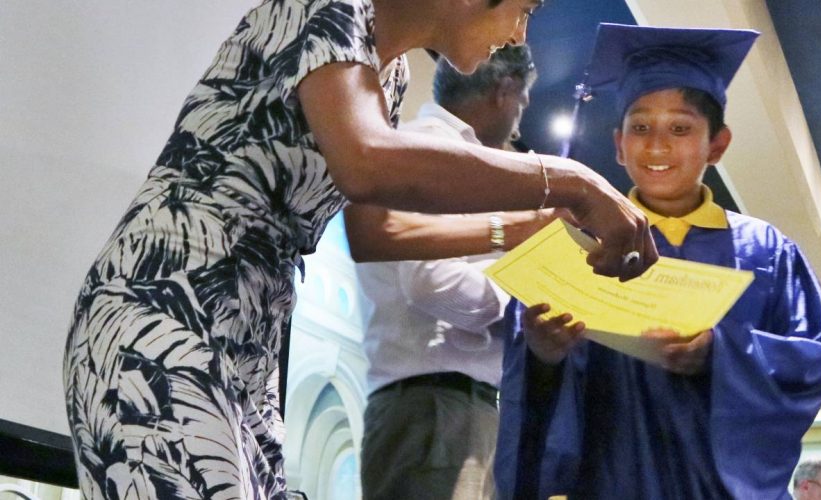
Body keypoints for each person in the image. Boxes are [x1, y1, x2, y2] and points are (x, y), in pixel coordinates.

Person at [62, 2, 659, 498]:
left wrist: (538, 220)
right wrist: (571, 182)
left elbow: (376, 227)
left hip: (249, 341)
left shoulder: (388, 78)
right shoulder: (331, 5)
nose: (520, 35)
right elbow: (366, 162)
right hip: (168, 299)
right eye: (524, 9)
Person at [494, 24, 821, 499]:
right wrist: (544, 356)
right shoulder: (581, 245)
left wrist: (720, 353)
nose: (657, 146)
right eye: (640, 128)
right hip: (616, 481)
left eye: (680, 128)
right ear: (619, 145)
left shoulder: (767, 251)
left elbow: (807, 363)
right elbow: (532, 393)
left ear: (717, 145)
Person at [353, 44, 547, 500]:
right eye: (521, 104)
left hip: (447, 407)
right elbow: (431, 282)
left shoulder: (443, 152)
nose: (518, 122)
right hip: (436, 409)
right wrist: (520, 296)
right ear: (504, 90)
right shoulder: (431, 148)